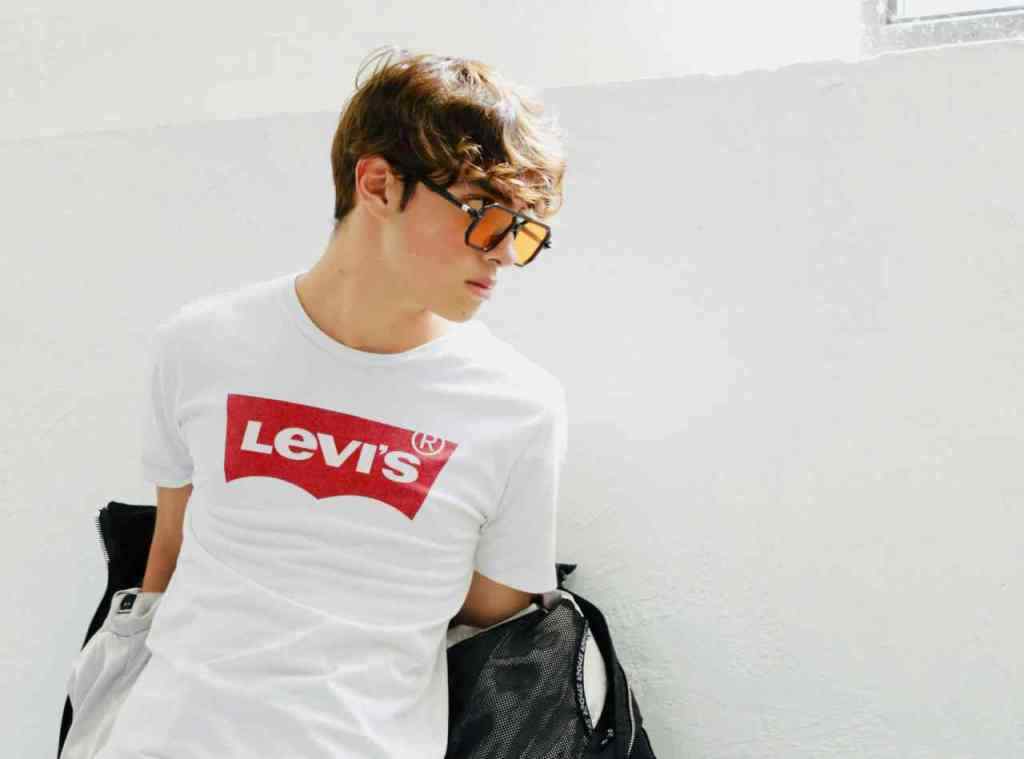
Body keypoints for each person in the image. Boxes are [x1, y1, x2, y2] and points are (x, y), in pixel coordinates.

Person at [95, 45, 570, 758]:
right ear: (378, 185)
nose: (504, 252)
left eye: (523, 229)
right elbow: (171, 550)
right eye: (484, 213)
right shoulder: (201, 345)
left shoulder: (518, 406)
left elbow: (489, 622)